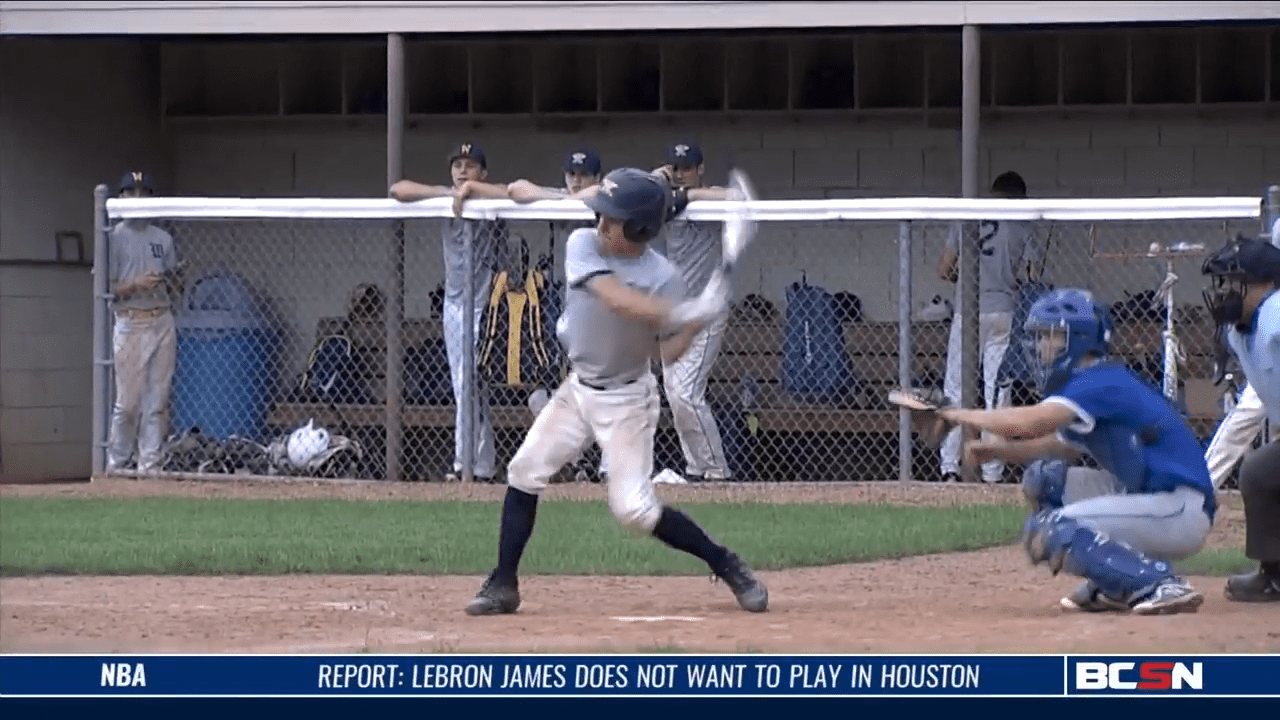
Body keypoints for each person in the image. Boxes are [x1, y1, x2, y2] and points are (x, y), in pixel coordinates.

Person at [463, 167, 769, 616]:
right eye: (601, 215)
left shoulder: (665, 278)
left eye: (613, 219)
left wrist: (695, 320)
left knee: (635, 511)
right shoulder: (582, 244)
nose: (602, 224)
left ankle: (726, 563)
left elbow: (669, 352)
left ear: (642, 228)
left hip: (627, 401)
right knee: (524, 470)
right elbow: (615, 298)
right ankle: (503, 582)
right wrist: (681, 309)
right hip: (576, 389)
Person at [940, 287, 1215, 615]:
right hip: (1151, 497)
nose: (1040, 345)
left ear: (1079, 339)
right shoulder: (1091, 382)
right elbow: (1061, 447)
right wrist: (995, 453)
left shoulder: (1100, 382)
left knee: (1049, 529)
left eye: (1050, 336)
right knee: (1044, 478)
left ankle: (1158, 583)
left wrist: (957, 414)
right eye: (1040, 336)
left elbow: (1031, 422)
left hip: (1178, 508)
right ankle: (1115, 582)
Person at [390, 142, 510, 483]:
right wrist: (446, 192)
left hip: (486, 306)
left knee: (471, 383)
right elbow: (397, 189)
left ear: (482, 172)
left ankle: (469, 464)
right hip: (455, 306)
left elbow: (510, 192)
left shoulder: (490, 197)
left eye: (469, 166)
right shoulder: (445, 195)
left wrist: (472, 190)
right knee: (464, 385)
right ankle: (476, 464)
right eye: (457, 165)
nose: (462, 170)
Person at [937, 171, 1042, 483]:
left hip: (967, 310)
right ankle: (992, 473)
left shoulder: (966, 219)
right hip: (1004, 312)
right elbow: (1033, 276)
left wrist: (964, 281)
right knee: (997, 392)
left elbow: (944, 269)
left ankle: (949, 468)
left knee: (954, 388)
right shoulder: (1023, 226)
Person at [646, 141, 740, 482]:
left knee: (686, 392)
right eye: (675, 168)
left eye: (687, 167)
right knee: (675, 394)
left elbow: (737, 197)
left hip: (707, 311)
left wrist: (692, 196)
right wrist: (657, 179)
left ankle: (717, 469)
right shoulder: (664, 201)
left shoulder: (708, 196)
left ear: (699, 169)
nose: (681, 173)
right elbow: (630, 194)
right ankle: (697, 468)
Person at [1200, 234, 1280, 602]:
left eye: (1236, 283)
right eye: (1225, 284)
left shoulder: (1276, 312)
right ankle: (1275, 575)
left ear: (1265, 285)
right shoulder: (1240, 331)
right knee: (1260, 470)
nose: (1226, 293)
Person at [106, 171, 185, 474]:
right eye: (131, 193)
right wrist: (137, 284)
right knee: (127, 404)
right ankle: (118, 464)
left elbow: (175, 283)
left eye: (144, 193)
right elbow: (104, 288)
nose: (138, 199)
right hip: (130, 321)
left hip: (161, 318)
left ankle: (149, 465)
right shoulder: (113, 237)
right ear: (122, 198)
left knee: (157, 400)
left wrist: (173, 278)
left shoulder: (162, 238)